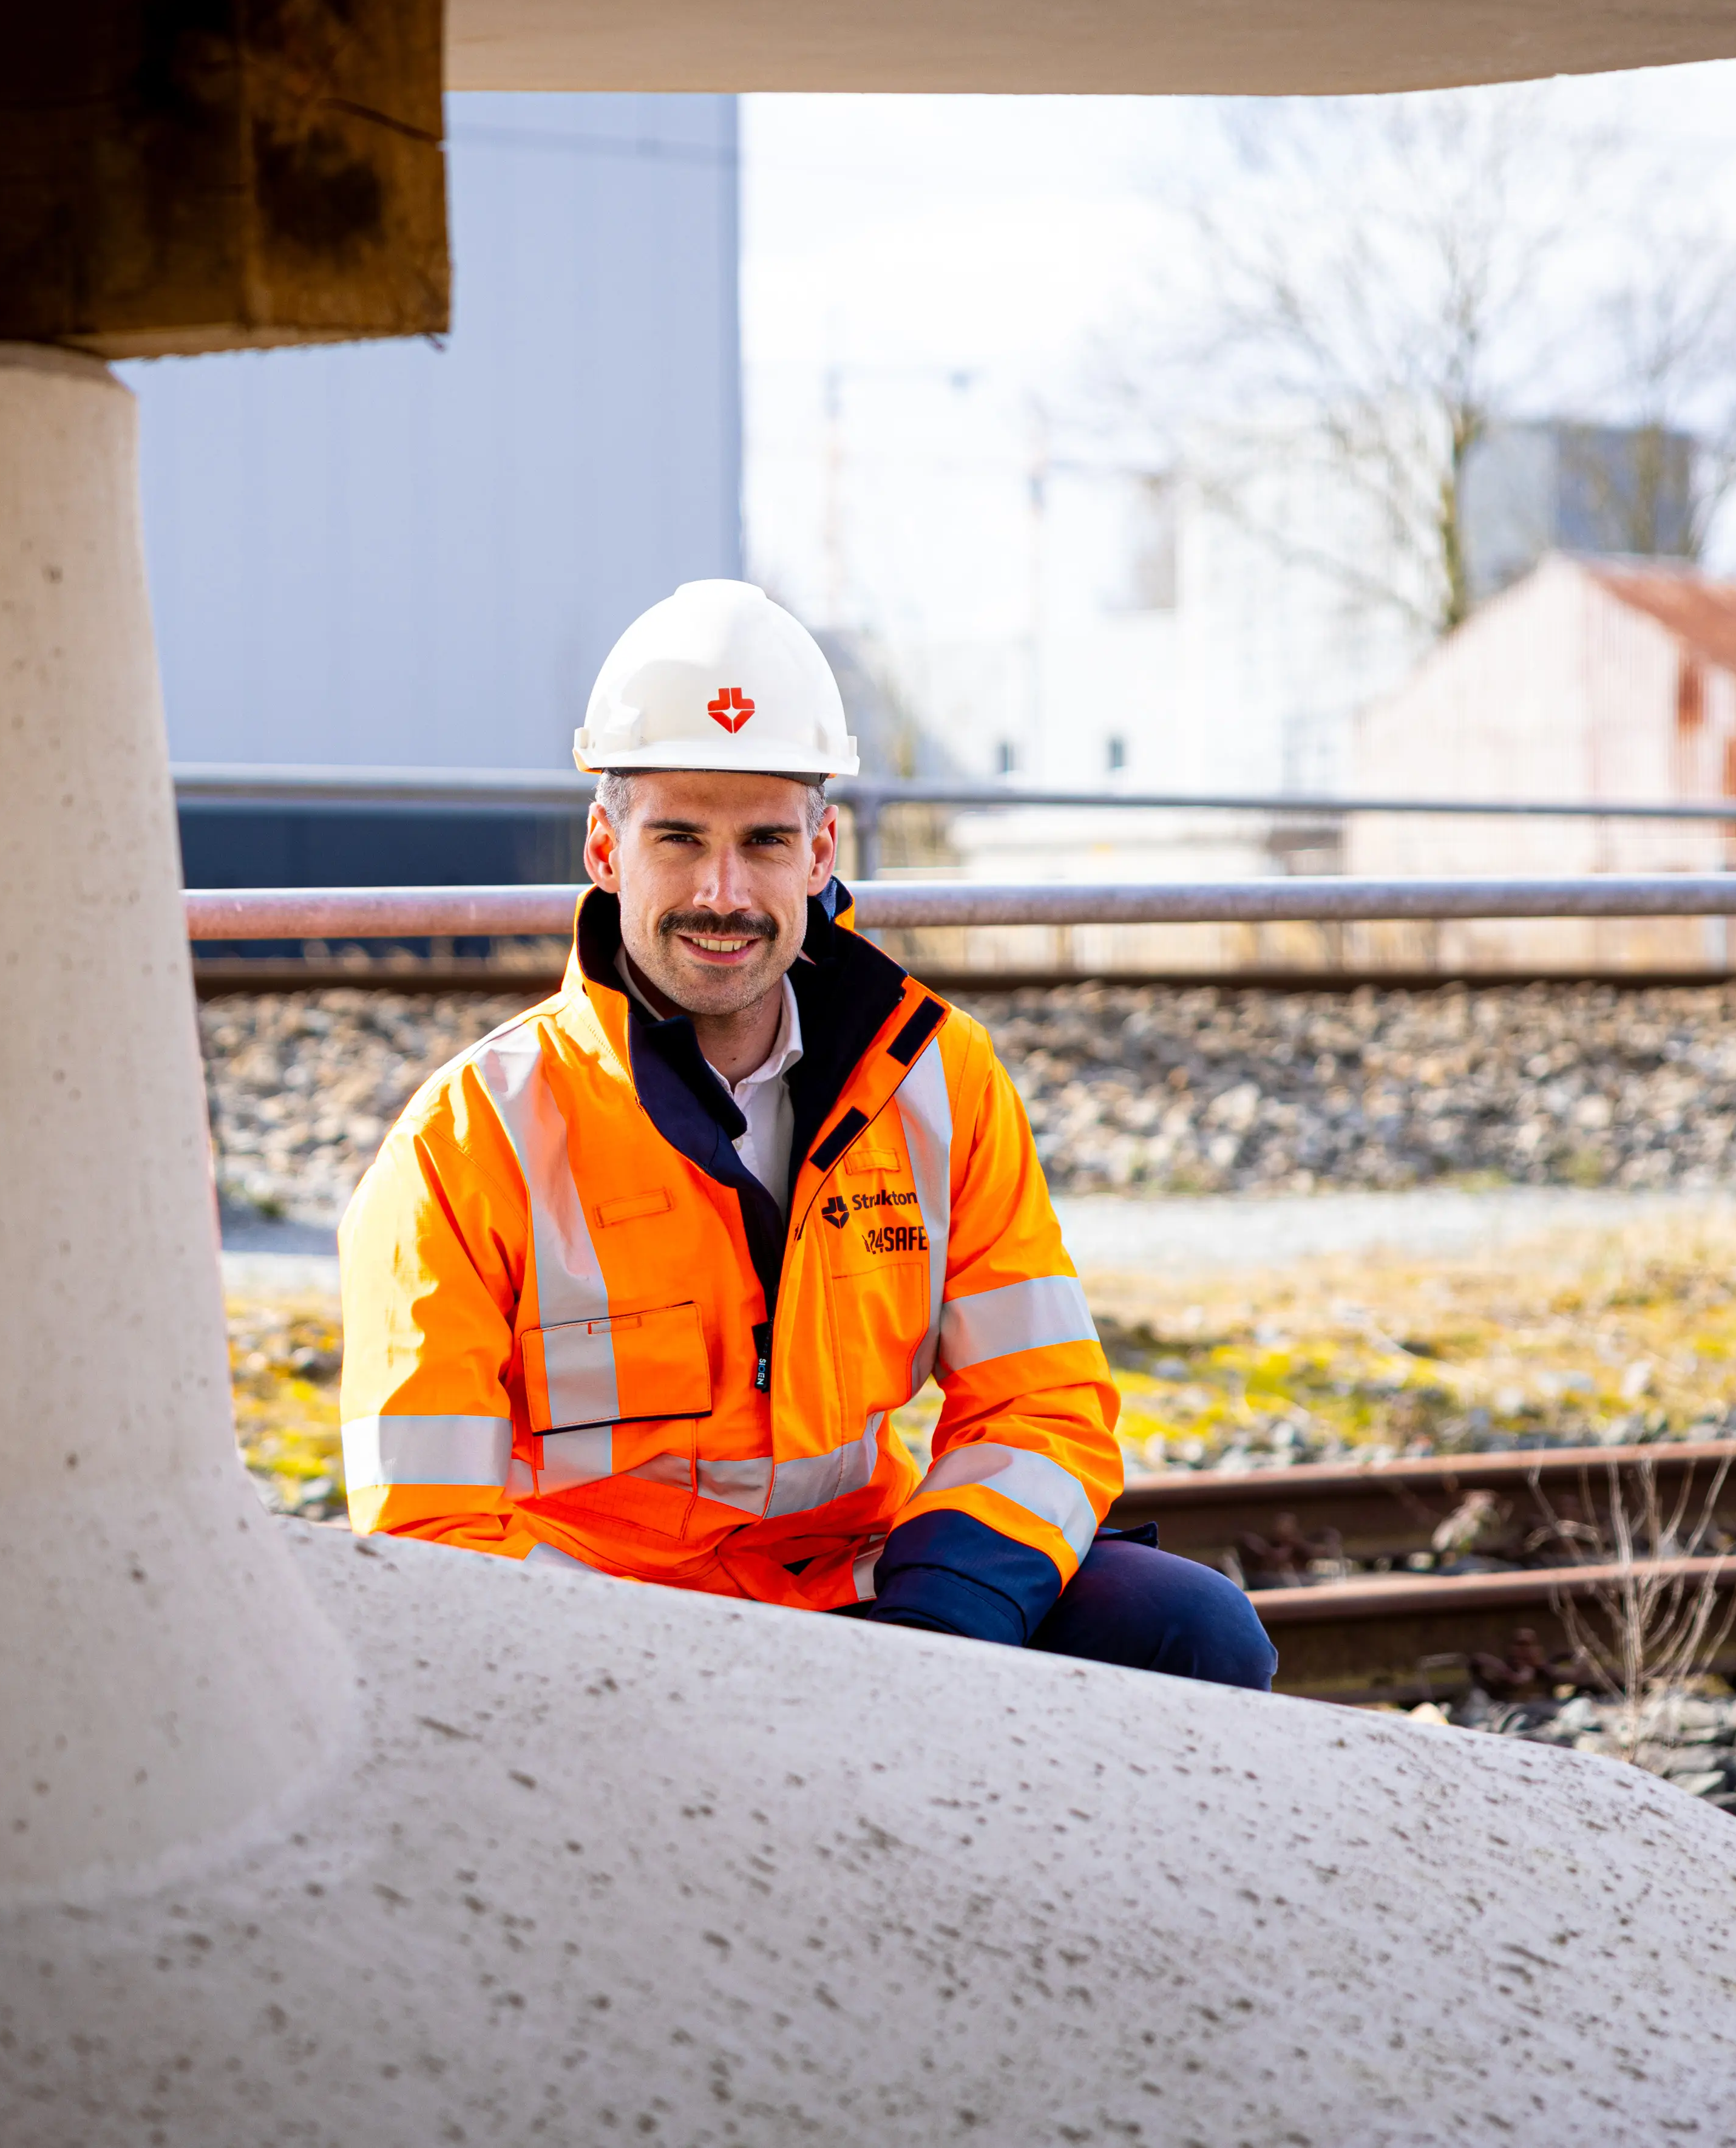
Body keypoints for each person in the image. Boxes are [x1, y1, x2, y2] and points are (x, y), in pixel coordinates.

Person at [337, 580, 1273, 1687]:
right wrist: (671, 1672)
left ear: (823, 850)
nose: (722, 892)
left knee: (1196, 1633)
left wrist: (940, 1622)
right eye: (678, 837)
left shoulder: (939, 1080)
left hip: (868, 1589)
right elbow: (424, 1529)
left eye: (766, 841)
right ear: (605, 847)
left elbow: (1045, 1405)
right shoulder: (470, 1138)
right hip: (611, 1637)